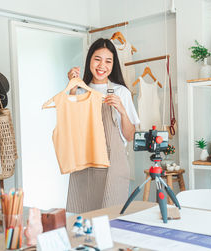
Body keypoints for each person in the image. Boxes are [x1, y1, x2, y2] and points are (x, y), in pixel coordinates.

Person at [66, 38, 140, 213]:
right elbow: (69, 127)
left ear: (113, 65)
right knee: (82, 221)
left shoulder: (121, 92)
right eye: (97, 59)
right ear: (89, 60)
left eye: (108, 61)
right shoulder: (80, 90)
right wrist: (72, 88)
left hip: (113, 168)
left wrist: (122, 110)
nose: (102, 65)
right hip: (84, 166)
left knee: (112, 220)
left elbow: (130, 136)